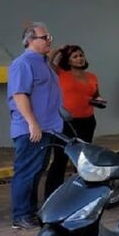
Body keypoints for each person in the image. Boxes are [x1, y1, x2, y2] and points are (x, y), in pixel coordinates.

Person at [8, 23, 63, 230]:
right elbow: (20, 95)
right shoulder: (23, 64)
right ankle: (20, 215)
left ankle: (29, 212)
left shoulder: (43, 62)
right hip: (32, 129)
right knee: (26, 172)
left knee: (36, 171)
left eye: (50, 36)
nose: (49, 40)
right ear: (30, 40)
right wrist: (32, 123)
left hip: (47, 127)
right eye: (45, 37)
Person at [44, 45, 105, 197]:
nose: (79, 58)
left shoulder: (92, 76)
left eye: (81, 55)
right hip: (66, 123)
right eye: (75, 56)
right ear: (68, 60)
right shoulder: (61, 73)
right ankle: (52, 195)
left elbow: (95, 94)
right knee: (60, 159)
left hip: (87, 121)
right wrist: (59, 49)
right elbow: (46, 61)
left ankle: (81, 193)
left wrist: (98, 100)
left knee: (83, 159)